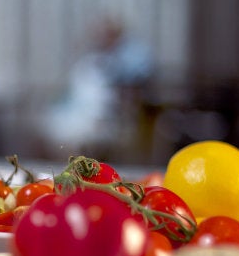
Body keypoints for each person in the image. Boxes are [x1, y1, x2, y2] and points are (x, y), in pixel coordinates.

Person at [39, 15, 154, 160]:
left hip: (109, 118)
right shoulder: (91, 60)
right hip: (80, 115)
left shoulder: (131, 58)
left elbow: (133, 89)